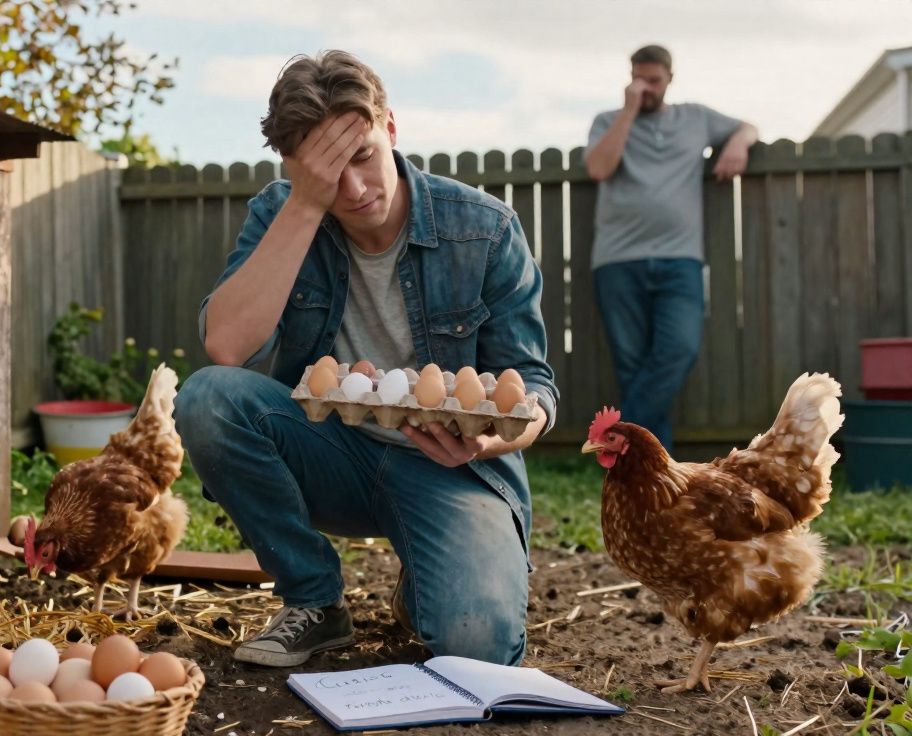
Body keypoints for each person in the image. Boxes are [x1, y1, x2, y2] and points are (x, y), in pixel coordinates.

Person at [173, 50, 559, 668]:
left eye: (363, 156)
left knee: (475, 646)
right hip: (332, 452)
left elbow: (533, 386)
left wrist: (485, 443)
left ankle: (426, 570)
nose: (353, 191)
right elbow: (226, 347)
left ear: (392, 130)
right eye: (327, 175)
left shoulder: (482, 230)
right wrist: (304, 203)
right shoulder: (284, 213)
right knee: (208, 398)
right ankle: (314, 602)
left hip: (453, 471)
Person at [585, 44, 758, 452]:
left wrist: (738, 144)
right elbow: (599, 168)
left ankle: (621, 443)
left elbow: (749, 125)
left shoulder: (695, 118)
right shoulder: (608, 121)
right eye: (636, 79)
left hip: (680, 260)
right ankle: (652, 473)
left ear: (670, 79)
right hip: (616, 260)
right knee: (631, 366)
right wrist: (628, 111)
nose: (644, 88)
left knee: (678, 349)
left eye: (653, 81)